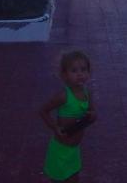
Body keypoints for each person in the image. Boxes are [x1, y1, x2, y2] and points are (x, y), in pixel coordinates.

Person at [39, 50, 97, 181]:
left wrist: (92, 116)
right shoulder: (63, 96)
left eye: (83, 69)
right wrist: (54, 127)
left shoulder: (87, 93)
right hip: (60, 149)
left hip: (74, 149)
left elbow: (93, 113)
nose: (80, 74)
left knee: (74, 177)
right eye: (74, 70)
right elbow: (43, 111)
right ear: (64, 75)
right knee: (57, 179)